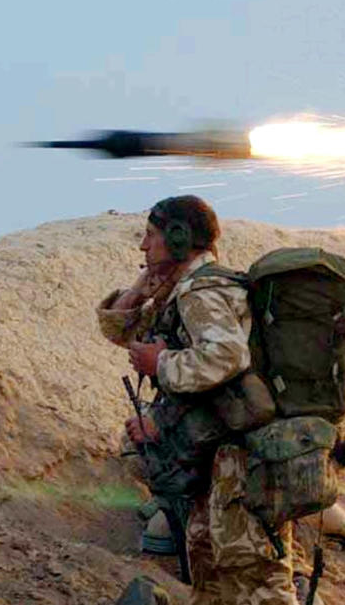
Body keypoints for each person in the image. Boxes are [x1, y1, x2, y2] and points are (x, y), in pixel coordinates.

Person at [96, 195, 306, 605]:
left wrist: (162, 363)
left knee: (258, 578)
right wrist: (145, 282)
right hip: (218, 457)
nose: (143, 246)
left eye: (150, 236)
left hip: (244, 459)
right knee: (212, 578)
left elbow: (226, 358)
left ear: (178, 239)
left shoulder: (202, 290)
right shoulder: (185, 290)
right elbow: (120, 329)